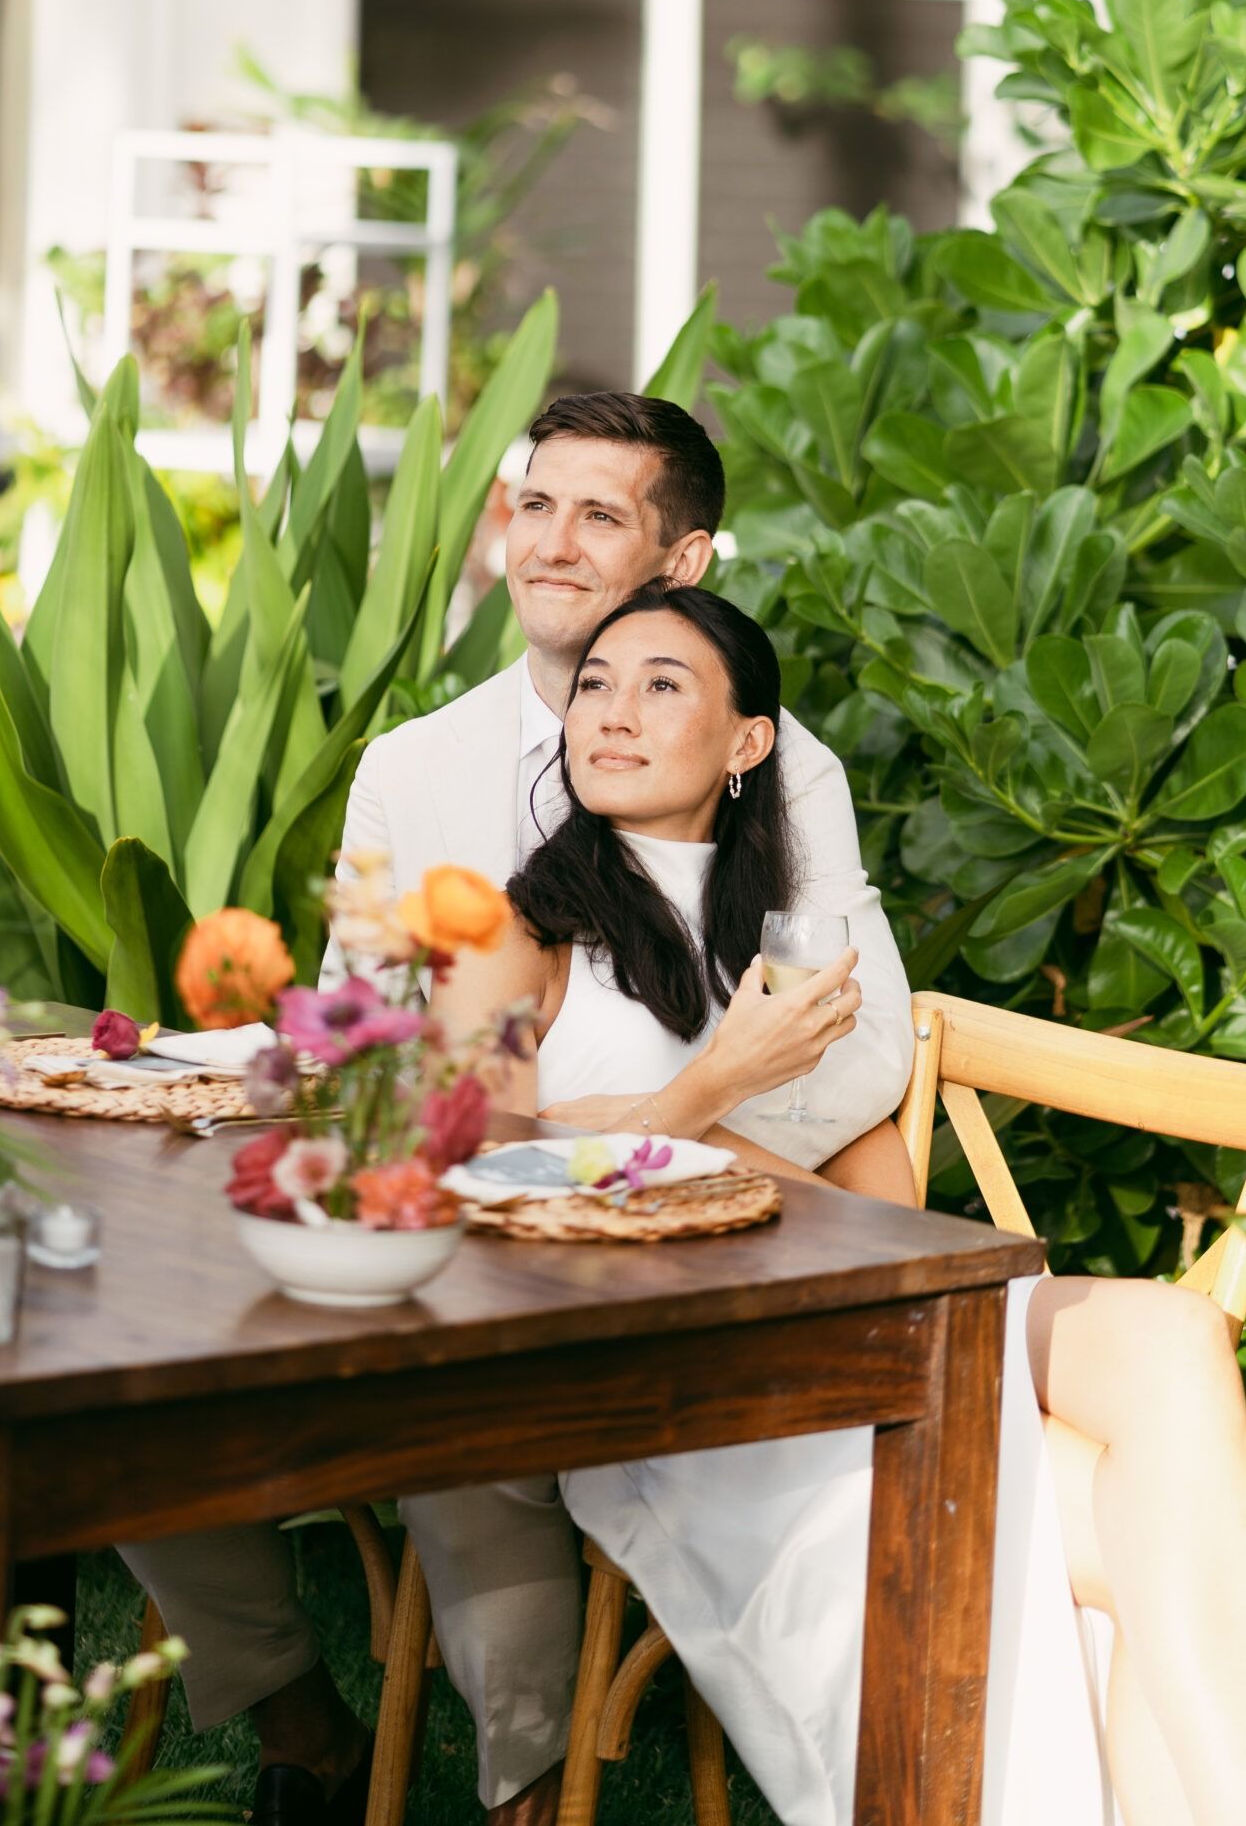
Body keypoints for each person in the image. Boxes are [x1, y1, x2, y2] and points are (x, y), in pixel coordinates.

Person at [120, 392, 913, 1826]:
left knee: (464, 1418)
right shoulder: (413, 767)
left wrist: (617, 1126)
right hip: (452, 1215)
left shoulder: (782, 767)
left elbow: (854, 1055)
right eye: (533, 503)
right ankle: (296, 1721)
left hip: (669, 1258)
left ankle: (522, 1790)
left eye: (598, 514)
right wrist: (616, 1110)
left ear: (683, 561)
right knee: (132, 1362)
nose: (548, 542)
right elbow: (386, 1069)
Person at [441, 579, 1246, 1826]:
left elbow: (866, 1182)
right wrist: (722, 1082)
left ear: (749, 744)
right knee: (1127, 1546)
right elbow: (484, 1164)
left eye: (661, 683)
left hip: (863, 1309)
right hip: (688, 1376)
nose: (611, 711)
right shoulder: (521, 937)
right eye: (595, 684)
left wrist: (940, 1284)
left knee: (1178, 1334)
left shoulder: (792, 939)